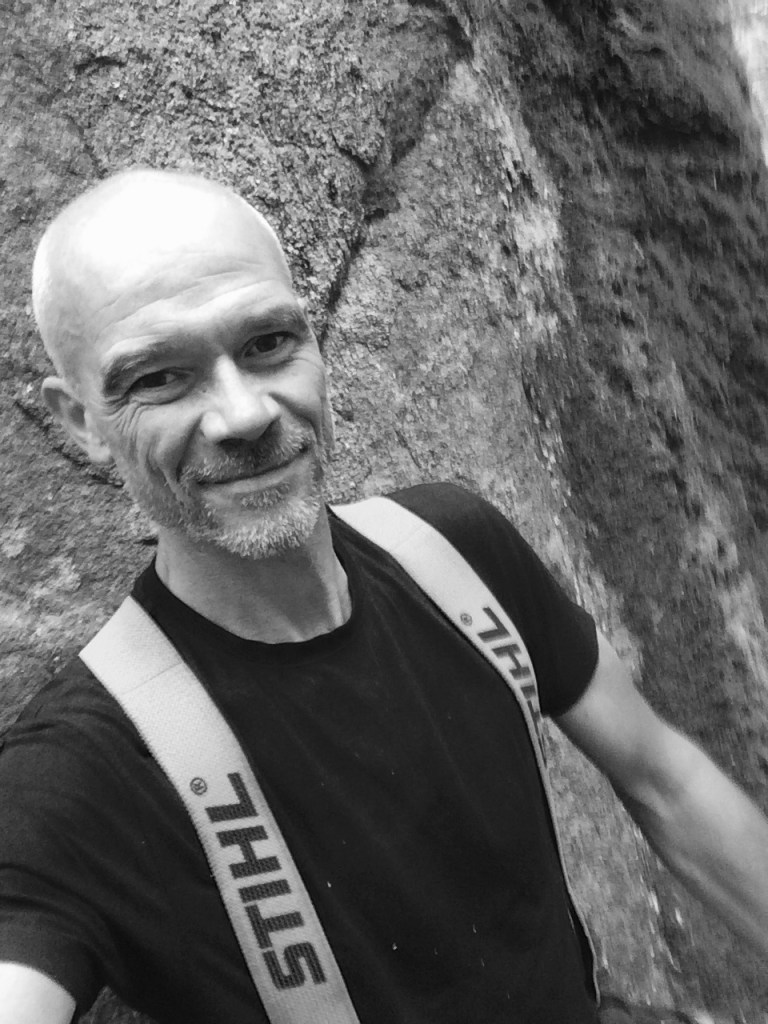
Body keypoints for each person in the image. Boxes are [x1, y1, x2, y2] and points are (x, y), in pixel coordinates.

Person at [1, 168, 767, 1024]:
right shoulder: (78, 774)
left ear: (315, 342)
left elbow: (665, 781)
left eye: (267, 343)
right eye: (158, 379)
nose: (243, 415)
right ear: (81, 422)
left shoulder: (456, 551)